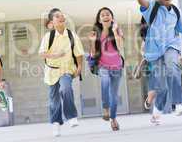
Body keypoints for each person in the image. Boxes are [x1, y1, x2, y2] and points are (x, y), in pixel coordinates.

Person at [39, 8, 84, 137]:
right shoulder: (48, 36)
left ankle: (71, 116)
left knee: (66, 88)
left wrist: (79, 67)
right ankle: (56, 124)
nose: (60, 17)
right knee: (54, 99)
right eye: (57, 16)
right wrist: (55, 55)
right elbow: (42, 53)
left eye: (61, 15)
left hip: (66, 69)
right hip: (52, 71)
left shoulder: (71, 35)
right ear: (52, 22)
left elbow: (79, 53)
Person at [89, 7, 124, 131]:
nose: (105, 16)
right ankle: (105, 108)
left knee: (114, 96)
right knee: (105, 81)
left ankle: (113, 119)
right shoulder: (96, 33)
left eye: (107, 14)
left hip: (117, 67)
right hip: (103, 66)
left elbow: (120, 48)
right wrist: (93, 41)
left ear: (111, 17)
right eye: (102, 15)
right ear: (99, 19)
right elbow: (93, 54)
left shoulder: (117, 30)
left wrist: (115, 32)